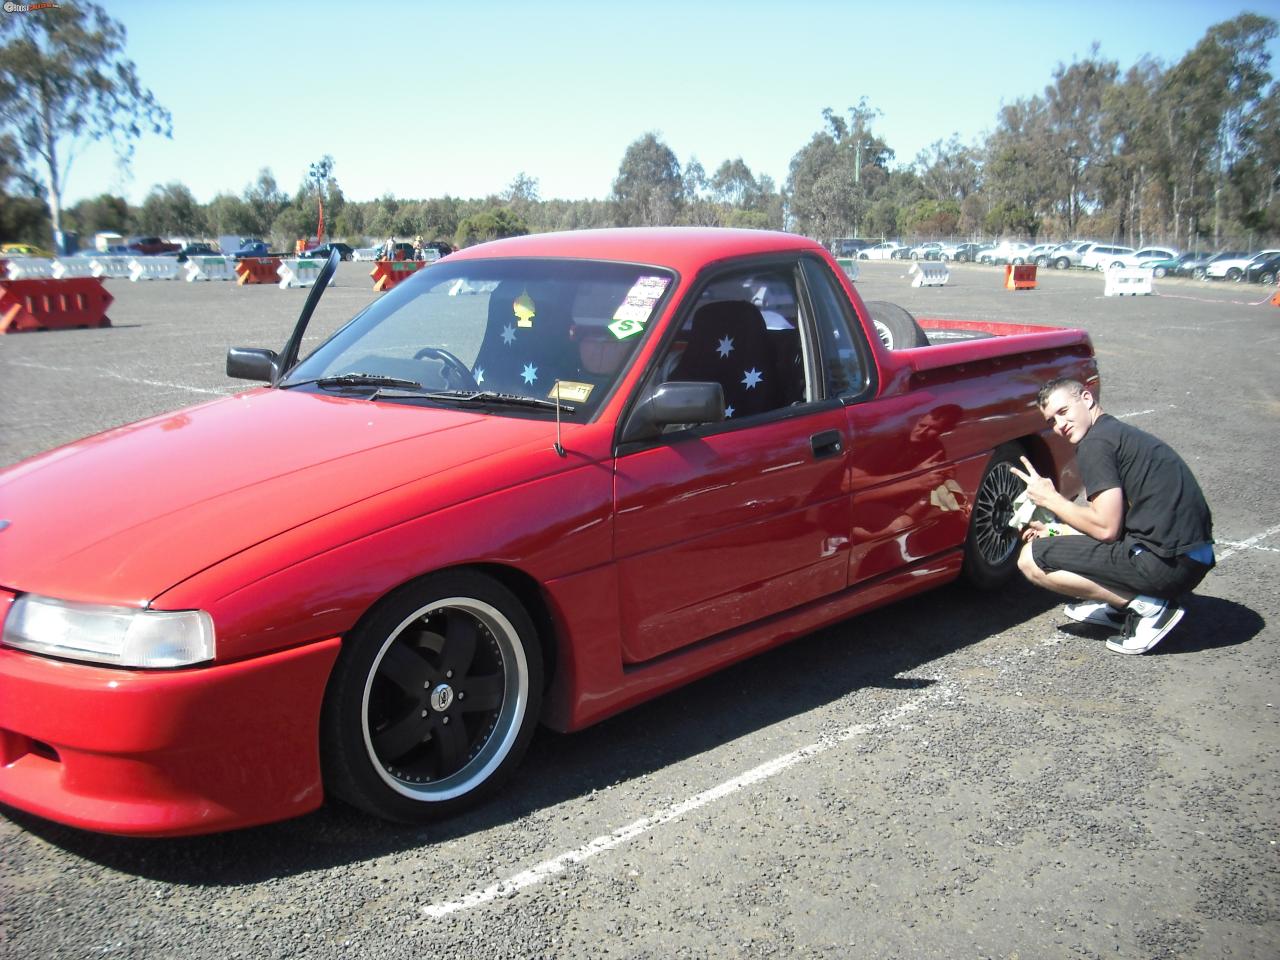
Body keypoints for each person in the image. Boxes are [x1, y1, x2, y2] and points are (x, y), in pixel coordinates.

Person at [1011, 377, 1214, 655]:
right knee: (1053, 543)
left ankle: (1144, 606)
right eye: (1051, 422)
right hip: (1189, 558)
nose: (1059, 425)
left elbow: (1105, 529)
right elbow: (1113, 525)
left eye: (1063, 412)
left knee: (1032, 558)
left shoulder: (1095, 445)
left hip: (1167, 564)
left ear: (1086, 398)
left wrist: (1051, 500)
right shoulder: (1114, 433)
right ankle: (1123, 604)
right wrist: (1055, 531)